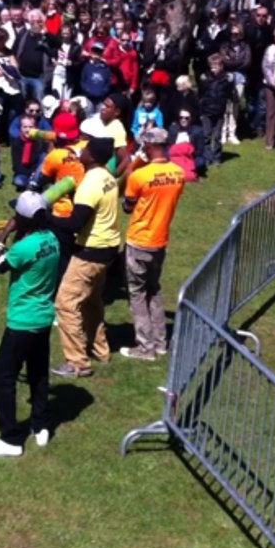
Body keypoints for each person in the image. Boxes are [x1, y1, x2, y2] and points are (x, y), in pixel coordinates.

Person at [0, 192, 60, 457]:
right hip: (44, 317)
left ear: (24, 220)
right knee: (38, 372)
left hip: (22, 321)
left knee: (3, 377)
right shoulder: (51, 239)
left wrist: (1, 239)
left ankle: (11, 439)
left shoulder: (24, 247)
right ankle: (40, 424)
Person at [51, 136, 120, 378]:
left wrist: (43, 217)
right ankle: (100, 349)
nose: (81, 150)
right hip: (108, 249)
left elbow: (75, 223)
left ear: (92, 156)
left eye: (85, 148)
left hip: (90, 252)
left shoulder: (90, 184)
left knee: (65, 303)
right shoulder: (108, 177)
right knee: (91, 302)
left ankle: (78, 363)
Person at [118, 129, 185, 361]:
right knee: (154, 289)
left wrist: (134, 165)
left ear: (147, 145)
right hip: (160, 241)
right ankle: (160, 341)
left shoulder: (140, 176)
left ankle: (145, 347)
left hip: (139, 240)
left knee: (136, 294)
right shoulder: (178, 173)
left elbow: (127, 206)